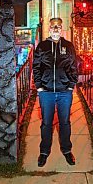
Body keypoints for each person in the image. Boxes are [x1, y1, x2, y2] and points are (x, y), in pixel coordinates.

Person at [33, 17, 78, 167]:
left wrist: (71, 85)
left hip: (65, 91)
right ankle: (44, 151)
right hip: (46, 92)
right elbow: (36, 66)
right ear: (49, 29)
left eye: (59, 26)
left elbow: (73, 66)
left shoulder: (69, 46)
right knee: (46, 123)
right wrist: (39, 86)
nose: (56, 29)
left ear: (62, 28)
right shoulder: (42, 46)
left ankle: (66, 150)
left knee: (65, 122)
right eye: (53, 26)